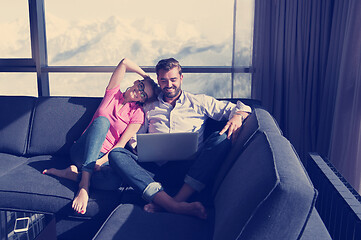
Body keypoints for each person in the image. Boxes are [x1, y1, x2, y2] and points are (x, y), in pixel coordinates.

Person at [107, 58, 252, 219]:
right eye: (163, 80)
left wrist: (238, 116)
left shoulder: (199, 101)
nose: (169, 85)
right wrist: (138, 147)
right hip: (154, 171)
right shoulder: (149, 106)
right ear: (158, 81)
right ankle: (173, 205)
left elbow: (242, 108)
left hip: (189, 170)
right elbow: (134, 135)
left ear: (181, 78)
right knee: (116, 154)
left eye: (173, 79)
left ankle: (175, 201)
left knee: (220, 139)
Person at [43, 58, 159, 214]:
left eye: (144, 94)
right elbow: (124, 62)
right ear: (137, 81)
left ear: (143, 100)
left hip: (103, 158)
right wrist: (147, 77)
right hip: (82, 150)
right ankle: (84, 185)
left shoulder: (138, 114)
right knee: (102, 122)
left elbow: (120, 145)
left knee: (115, 181)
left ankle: (72, 174)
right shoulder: (113, 93)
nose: (139, 92)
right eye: (141, 86)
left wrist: (101, 161)